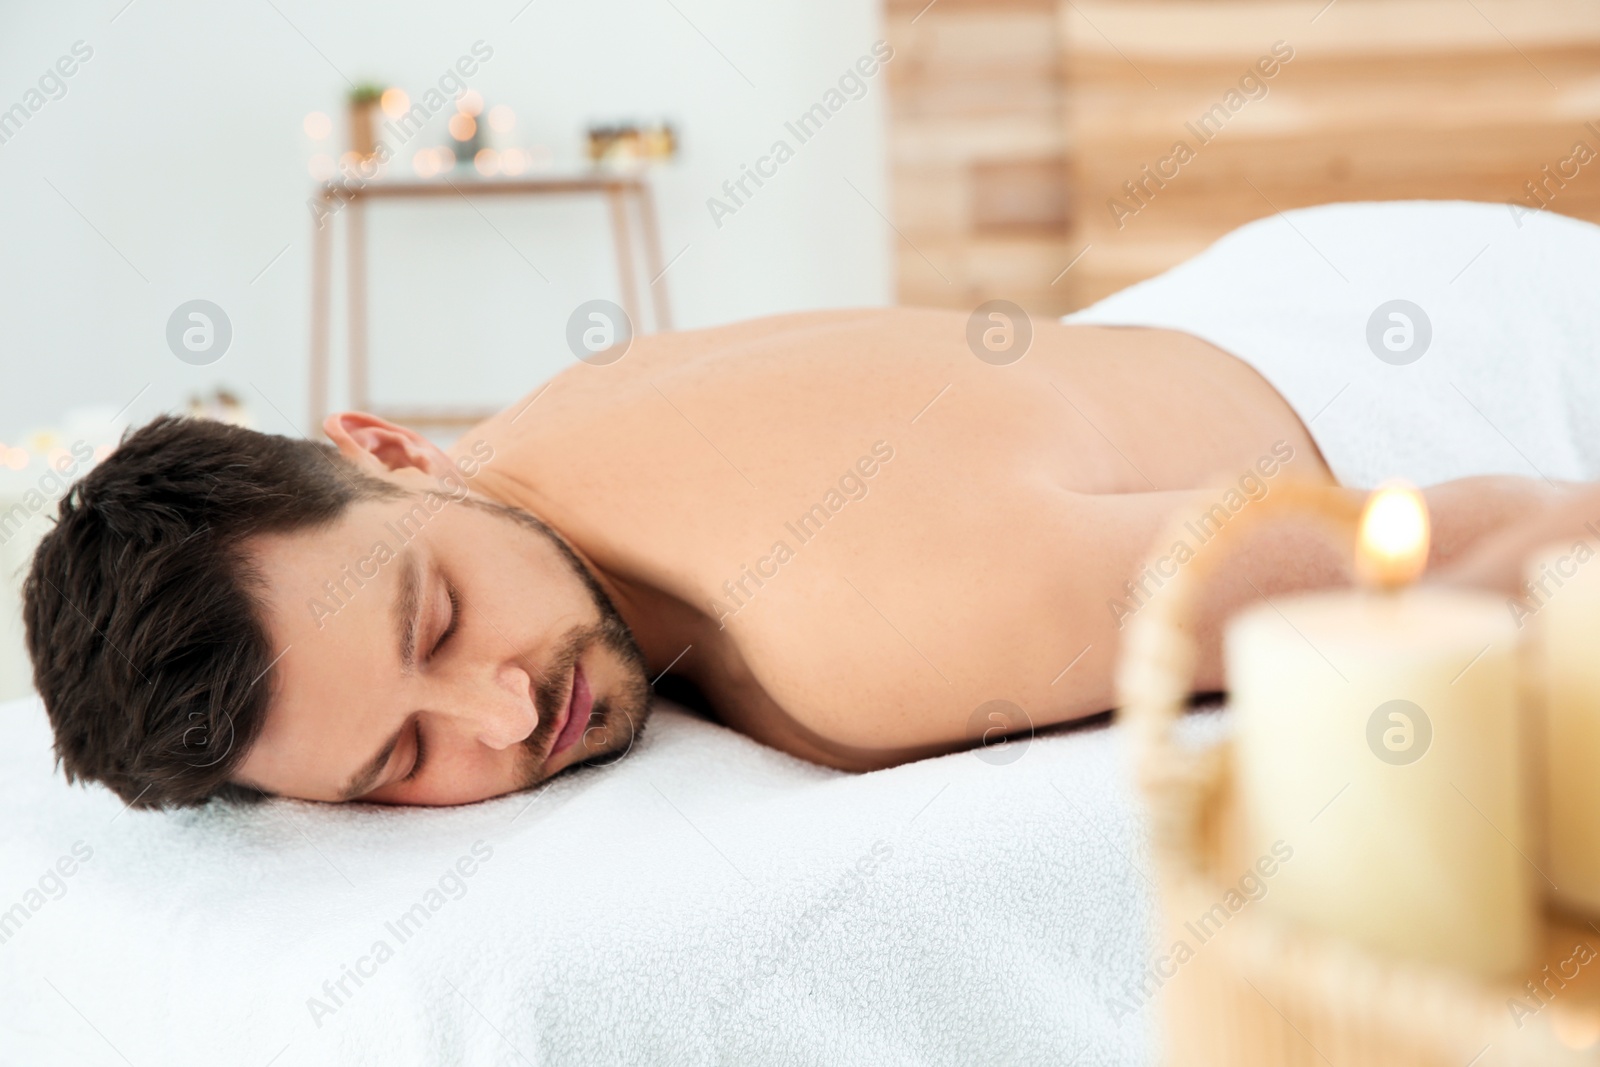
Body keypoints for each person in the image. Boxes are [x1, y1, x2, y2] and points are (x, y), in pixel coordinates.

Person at [23, 202, 1600, 810]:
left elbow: (1493, 542)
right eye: (400, 759)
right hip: (1242, 296)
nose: (506, 715)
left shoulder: (876, 627)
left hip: (1462, 354)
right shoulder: (505, 461)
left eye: (432, 618)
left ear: (387, 445)